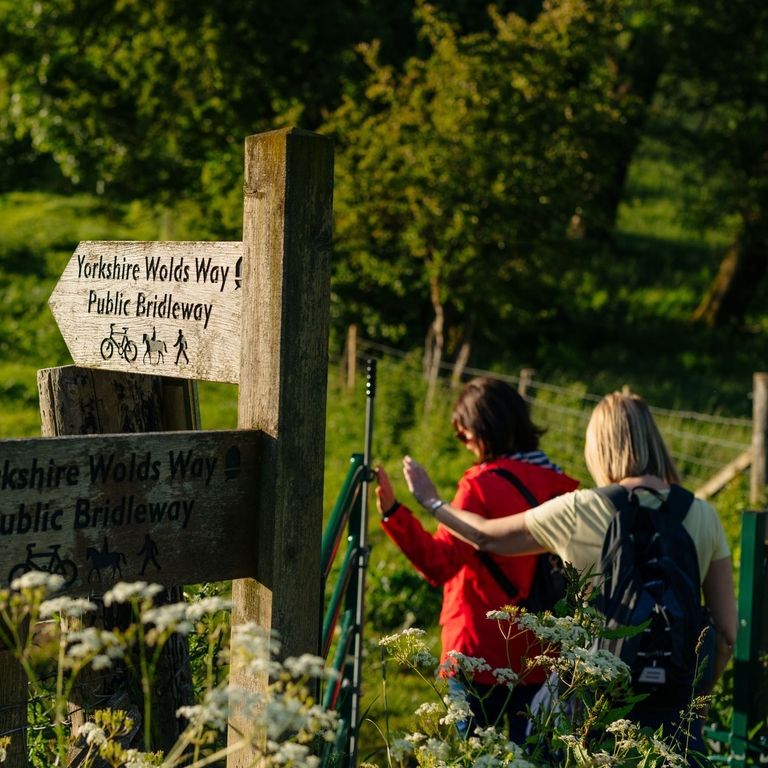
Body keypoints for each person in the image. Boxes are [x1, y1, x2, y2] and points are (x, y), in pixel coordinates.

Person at [402, 391, 738, 755]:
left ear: (597, 446)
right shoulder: (704, 514)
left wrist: (431, 501)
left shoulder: (579, 510)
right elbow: (725, 633)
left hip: (593, 705)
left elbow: (484, 535)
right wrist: (698, 698)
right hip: (673, 709)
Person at [375, 377, 579, 743]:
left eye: (464, 435)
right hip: (542, 653)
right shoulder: (563, 485)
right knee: (533, 755)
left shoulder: (479, 486)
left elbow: (440, 563)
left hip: (478, 652)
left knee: (471, 754)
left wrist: (394, 513)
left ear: (487, 428)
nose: (465, 445)